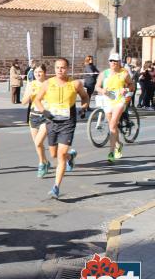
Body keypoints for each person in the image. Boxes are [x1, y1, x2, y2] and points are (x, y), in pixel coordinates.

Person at [34, 57, 89, 199]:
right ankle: (71, 156)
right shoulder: (47, 84)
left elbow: (85, 97)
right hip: (52, 122)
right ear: (54, 69)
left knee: (60, 156)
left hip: (67, 122)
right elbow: (37, 100)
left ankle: (56, 187)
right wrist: (44, 111)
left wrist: (83, 108)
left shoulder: (75, 84)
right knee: (53, 154)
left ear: (67, 69)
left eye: (63, 67)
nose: (60, 70)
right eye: (58, 67)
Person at [95, 52, 135, 162]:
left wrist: (126, 89)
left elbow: (132, 85)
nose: (113, 63)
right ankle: (118, 144)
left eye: (115, 61)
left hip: (119, 101)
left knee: (112, 124)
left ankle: (111, 153)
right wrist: (102, 90)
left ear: (119, 62)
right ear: (109, 62)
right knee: (113, 127)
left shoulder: (124, 73)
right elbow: (97, 86)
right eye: (111, 61)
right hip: (107, 101)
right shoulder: (104, 74)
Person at [21, 63, 50, 177]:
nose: (38, 74)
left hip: (45, 116)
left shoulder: (49, 84)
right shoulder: (31, 84)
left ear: (44, 73)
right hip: (33, 115)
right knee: (38, 144)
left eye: (40, 72)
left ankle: (41, 164)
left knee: (38, 142)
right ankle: (45, 161)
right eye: (36, 72)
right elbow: (23, 102)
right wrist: (30, 94)